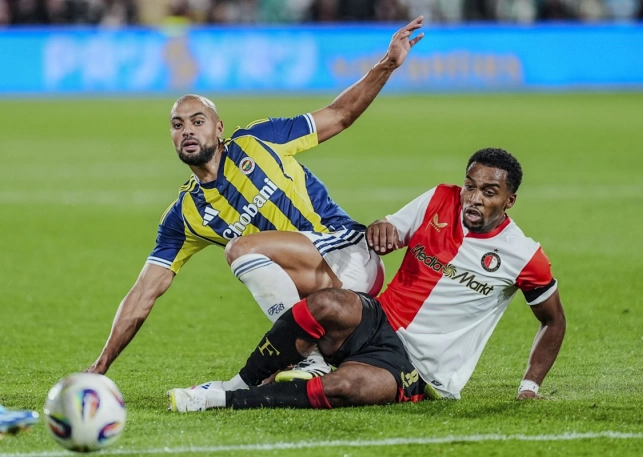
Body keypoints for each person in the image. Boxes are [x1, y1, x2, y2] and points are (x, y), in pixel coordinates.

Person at [86, 17, 425, 381]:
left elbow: (339, 115)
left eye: (198, 121)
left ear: (219, 128)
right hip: (318, 294)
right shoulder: (184, 216)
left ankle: (305, 356)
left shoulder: (259, 140)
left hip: (349, 253)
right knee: (291, 381)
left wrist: (387, 64)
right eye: (178, 125)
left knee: (241, 249)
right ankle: (327, 352)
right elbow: (143, 293)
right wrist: (100, 366)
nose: (187, 131)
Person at [166, 147, 567, 411]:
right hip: (377, 320)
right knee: (328, 302)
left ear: (509, 200)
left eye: (489, 192)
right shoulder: (439, 199)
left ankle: (223, 400)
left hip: (419, 367)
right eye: (471, 187)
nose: (475, 198)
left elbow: (553, 320)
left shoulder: (524, 256)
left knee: (347, 386)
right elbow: (387, 227)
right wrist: (381, 228)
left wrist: (530, 384)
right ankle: (239, 382)